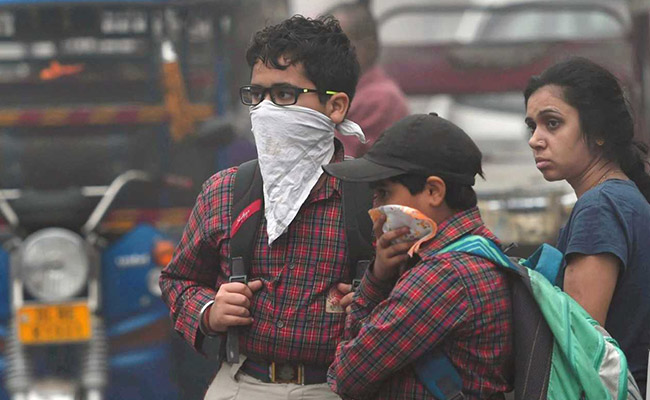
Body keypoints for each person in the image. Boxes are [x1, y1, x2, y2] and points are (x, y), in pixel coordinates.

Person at [159, 15, 367, 399]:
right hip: (242, 382)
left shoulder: (370, 198)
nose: (265, 109)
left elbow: (417, 296)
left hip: (337, 386)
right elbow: (177, 281)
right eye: (257, 95)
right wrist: (209, 310)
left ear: (335, 106)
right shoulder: (224, 191)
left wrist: (377, 300)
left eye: (284, 95)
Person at [323, 113, 513, 399]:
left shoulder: (443, 276)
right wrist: (380, 274)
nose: (376, 210)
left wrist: (373, 288)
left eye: (385, 193)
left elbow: (348, 375)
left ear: (433, 191)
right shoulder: (480, 251)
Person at [524, 57, 650, 395]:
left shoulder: (600, 208)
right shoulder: (623, 199)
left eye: (552, 124)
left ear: (598, 133)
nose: (536, 139)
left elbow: (578, 348)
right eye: (532, 126)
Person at [327, 2, 409, 158]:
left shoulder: (380, 99)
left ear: (368, 48)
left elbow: (336, 160)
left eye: (334, 43)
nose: (321, 53)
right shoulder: (342, 90)